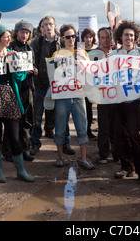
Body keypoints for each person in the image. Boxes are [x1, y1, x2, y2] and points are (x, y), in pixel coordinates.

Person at [0, 24, 34, 183]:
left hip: (11, 97)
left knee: (14, 137)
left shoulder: (14, 54)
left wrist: (13, 62)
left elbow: (20, 78)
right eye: (6, 36)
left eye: (9, 36)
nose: (9, 39)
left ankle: (21, 171)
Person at [110, 20, 140, 184]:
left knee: (134, 134)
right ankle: (126, 167)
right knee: (120, 134)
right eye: (126, 34)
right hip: (117, 99)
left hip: (135, 100)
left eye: (132, 35)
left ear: (136, 37)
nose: (129, 37)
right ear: (121, 36)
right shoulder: (113, 55)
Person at [51, 24, 95, 170]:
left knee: (82, 126)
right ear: (63, 38)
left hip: (78, 94)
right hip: (63, 96)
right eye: (68, 37)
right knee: (60, 126)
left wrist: (84, 60)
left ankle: (83, 158)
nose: (71, 39)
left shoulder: (82, 52)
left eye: (73, 36)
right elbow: (52, 76)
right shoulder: (57, 54)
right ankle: (60, 156)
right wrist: (55, 63)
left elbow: (90, 73)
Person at [30, 16, 62, 154]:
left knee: (59, 113)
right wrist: (33, 69)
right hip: (41, 83)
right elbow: (31, 59)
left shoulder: (62, 41)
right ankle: (35, 143)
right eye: (45, 25)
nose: (48, 27)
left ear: (55, 25)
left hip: (59, 83)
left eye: (50, 24)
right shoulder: (37, 42)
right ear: (41, 27)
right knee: (37, 115)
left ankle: (60, 141)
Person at [7, 20, 37, 161]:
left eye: (27, 32)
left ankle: (25, 149)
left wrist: (34, 70)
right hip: (14, 89)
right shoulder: (11, 48)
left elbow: (32, 65)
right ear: (16, 32)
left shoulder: (29, 49)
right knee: (13, 121)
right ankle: (9, 151)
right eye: (22, 32)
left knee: (27, 120)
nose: (24, 35)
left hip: (28, 88)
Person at [95, 27, 117, 164]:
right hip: (101, 93)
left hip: (116, 93)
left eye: (107, 37)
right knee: (103, 125)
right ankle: (103, 154)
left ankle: (116, 153)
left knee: (116, 125)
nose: (105, 40)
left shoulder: (117, 53)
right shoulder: (93, 54)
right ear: (99, 39)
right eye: (102, 37)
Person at [81, 27, 98, 140]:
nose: (88, 39)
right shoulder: (79, 50)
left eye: (90, 37)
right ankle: (84, 130)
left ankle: (89, 130)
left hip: (93, 82)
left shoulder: (97, 49)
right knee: (83, 107)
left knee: (90, 106)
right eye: (86, 37)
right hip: (82, 81)